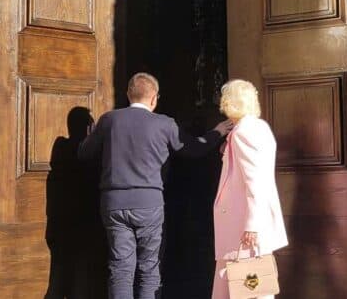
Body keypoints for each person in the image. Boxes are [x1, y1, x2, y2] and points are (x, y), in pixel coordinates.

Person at [78, 72, 233, 299]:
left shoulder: (109, 120)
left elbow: (84, 154)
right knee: (149, 270)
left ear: (128, 94)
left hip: (114, 204)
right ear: (154, 98)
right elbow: (193, 149)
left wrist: (88, 136)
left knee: (120, 270)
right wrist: (217, 132)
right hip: (149, 206)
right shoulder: (164, 124)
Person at [211, 79, 288, 299]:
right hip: (248, 221)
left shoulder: (243, 132)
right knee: (248, 287)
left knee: (246, 286)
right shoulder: (257, 126)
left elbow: (255, 179)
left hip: (243, 224)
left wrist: (252, 223)